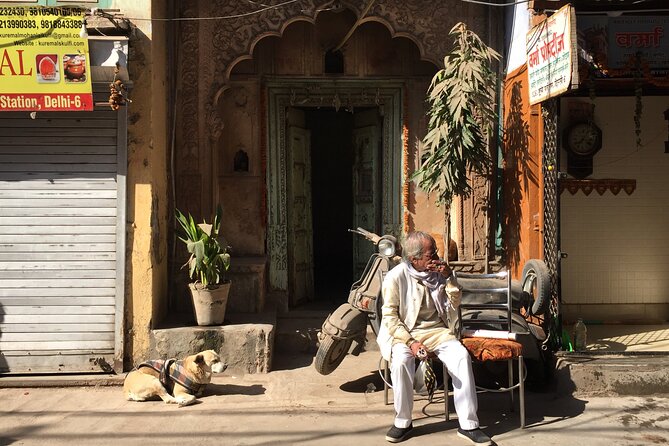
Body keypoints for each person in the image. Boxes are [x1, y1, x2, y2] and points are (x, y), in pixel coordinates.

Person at [376, 231, 491, 445]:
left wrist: (449, 277)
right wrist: (411, 342)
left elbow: (454, 303)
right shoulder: (396, 277)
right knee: (401, 362)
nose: (437, 257)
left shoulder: (440, 273)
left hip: (438, 330)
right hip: (406, 333)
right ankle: (403, 422)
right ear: (414, 259)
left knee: (460, 357)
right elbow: (390, 317)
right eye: (431, 254)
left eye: (436, 252)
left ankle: (468, 425)